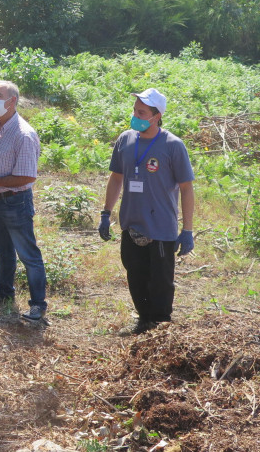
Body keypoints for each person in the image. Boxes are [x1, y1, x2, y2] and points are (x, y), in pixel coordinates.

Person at [98, 88, 195, 335]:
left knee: (161, 280)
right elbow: (116, 178)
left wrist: (187, 230)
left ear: (156, 115)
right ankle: (143, 321)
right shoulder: (125, 140)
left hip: (161, 226)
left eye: (141, 112)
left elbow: (186, 188)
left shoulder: (173, 145)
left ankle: (161, 326)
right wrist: (106, 213)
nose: (135, 116)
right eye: (134, 111)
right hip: (132, 222)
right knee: (135, 275)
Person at [0, 80, 47, 322]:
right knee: (2, 250)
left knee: (28, 255)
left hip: (16, 201)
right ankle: (4, 293)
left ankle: (38, 305)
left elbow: (28, 176)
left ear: (12, 101)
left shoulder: (24, 134)